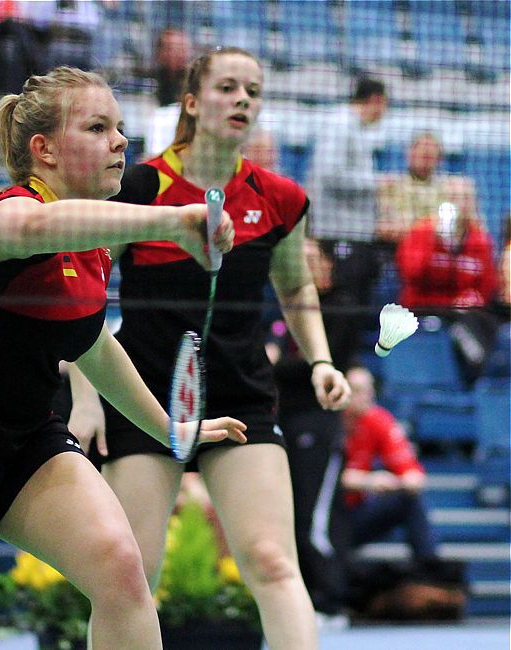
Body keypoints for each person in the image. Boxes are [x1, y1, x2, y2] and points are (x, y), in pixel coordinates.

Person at [0, 66, 247, 650]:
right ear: (44, 149)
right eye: (97, 127)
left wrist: (168, 428)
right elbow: (40, 224)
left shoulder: (91, 251)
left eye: (121, 128)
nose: (120, 142)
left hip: (20, 447)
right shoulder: (8, 217)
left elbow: (92, 344)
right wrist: (171, 222)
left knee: (120, 570)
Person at [69, 48, 351, 650]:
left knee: (275, 562)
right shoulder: (142, 186)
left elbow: (295, 283)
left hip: (241, 391)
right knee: (129, 576)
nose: (243, 99)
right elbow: (80, 290)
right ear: (193, 103)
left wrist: (321, 359)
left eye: (253, 89)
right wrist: (85, 394)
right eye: (228, 87)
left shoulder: (280, 197)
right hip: (144, 397)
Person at [264, 238, 359, 626]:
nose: (300, 266)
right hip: (284, 421)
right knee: (290, 514)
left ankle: (331, 601)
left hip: (318, 424)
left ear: (326, 267)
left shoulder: (342, 308)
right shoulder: (280, 309)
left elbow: (316, 365)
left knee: (313, 517)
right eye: (295, 259)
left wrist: (273, 363)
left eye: (309, 259)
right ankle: (308, 596)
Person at [341, 365, 439, 565]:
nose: (366, 397)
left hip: (354, 515)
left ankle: (430, 571)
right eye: (357, 390)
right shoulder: (325, 422)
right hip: (323, 515)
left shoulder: (377, 419)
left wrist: (396, 482)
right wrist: (367, 481)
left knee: (409, 500)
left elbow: (415, 478)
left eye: (369, 390)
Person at [396, 194, 499, 384]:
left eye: (464, 199)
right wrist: (434, 239)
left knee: (486, 320)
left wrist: (471, 298)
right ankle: (481, 371)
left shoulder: (480, 241)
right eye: (454, 198)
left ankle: (486, 373)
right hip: (422, 307)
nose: (459, 204)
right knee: (461, 326)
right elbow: (411, 272)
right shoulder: (420, 234)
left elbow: (487, 286)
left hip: (462, 310)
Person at [307, 77, 388, 307]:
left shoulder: (356, 128)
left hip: (356, 235)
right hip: (338, 234)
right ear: (376, 100)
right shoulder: (340, 124)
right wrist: (376, 182)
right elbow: (330, 174)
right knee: (342, 304)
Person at [376, 132, 451, 247]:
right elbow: (382, 228)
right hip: (397, 251)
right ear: (409, 153)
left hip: (437, 254)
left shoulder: (451, 190)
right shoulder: (389, 186)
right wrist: (425, 229)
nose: (425, 153)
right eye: (421, 150)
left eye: (429, 154)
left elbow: (458, 231)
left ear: (440, 158)